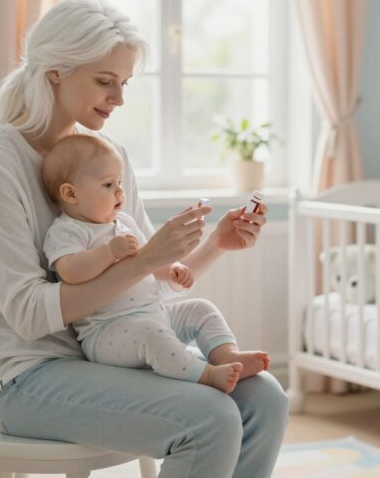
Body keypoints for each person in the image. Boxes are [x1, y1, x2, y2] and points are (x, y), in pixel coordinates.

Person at [0, 0, 288, 478]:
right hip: (26, 376)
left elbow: (147, 285)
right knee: (210, 417)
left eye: (124, 83)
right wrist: (139, 261)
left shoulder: (108, 157)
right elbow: (28, 315)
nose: (118, 98)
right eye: (104, 81)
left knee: (266, 399)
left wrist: (216, 242)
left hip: (111, 349)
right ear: (55, 72)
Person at [41, 133, 270, 393]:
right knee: (152, 335)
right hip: (107, 333)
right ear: (70, 193)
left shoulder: (124, 223)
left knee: (201, 309)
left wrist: (170, 271)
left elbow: (147, 259)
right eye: (107, 185)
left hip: (154, 313)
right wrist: (108, 252)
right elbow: (70, 271)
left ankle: (227, 354)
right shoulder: (67, 231)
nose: (119, 191)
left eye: (119, 182)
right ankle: (205, 374)